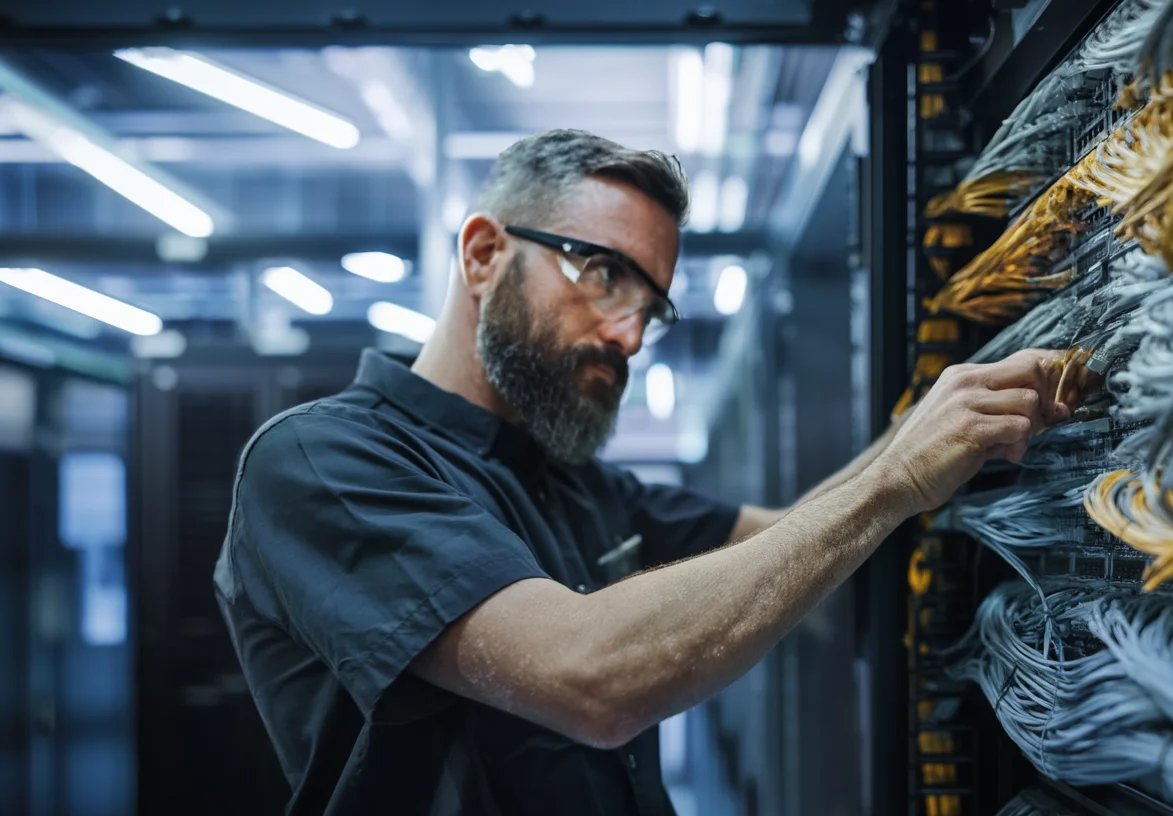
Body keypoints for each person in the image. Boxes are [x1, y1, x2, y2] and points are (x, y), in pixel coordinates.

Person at [215, 129, 1082, 816]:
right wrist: (894, 478)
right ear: (483, 255)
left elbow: (784, 543)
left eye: (650, 305)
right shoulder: (324, 464)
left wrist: (933, 431)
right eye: (601, 275)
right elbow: (588, 677)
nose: (628, 336)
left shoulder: (574, 480)